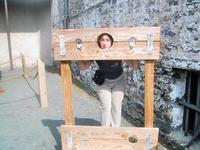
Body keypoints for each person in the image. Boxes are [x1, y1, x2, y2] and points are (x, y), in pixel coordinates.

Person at [78, 33, 139, 127]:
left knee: (116, 106)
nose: (104, 43)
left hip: (119, 81)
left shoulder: (119, 52)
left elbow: (135, 67)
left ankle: (115, 130)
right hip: (104, 82)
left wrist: (133, 51)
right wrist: (79, 53)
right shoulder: (95, 52)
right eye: (102, 40)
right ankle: (105, 130)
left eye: (107, 40)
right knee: (105, 106)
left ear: (112, 43)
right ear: (98, 42)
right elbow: (83, 67)